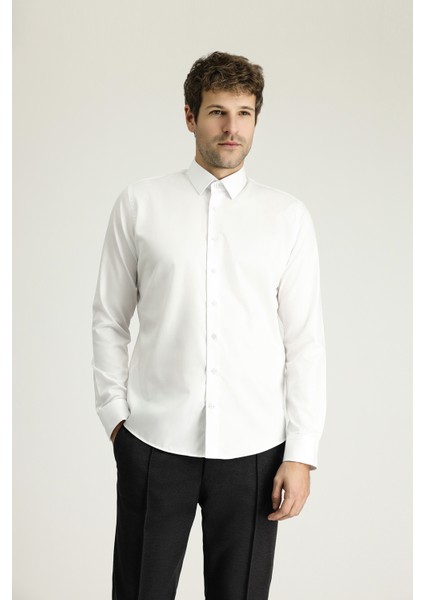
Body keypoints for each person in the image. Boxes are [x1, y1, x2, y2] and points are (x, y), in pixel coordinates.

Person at [91, 50, 326, 600]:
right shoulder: (140, 204)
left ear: (256, 120)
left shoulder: (287, 217)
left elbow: (305, 341)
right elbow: (109, 318)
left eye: (244, 113)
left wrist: (301, 452)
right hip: (154, 441)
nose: (231, 128)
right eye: (218, 112)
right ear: (190, 116)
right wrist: (115, 418)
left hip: (255, 450)